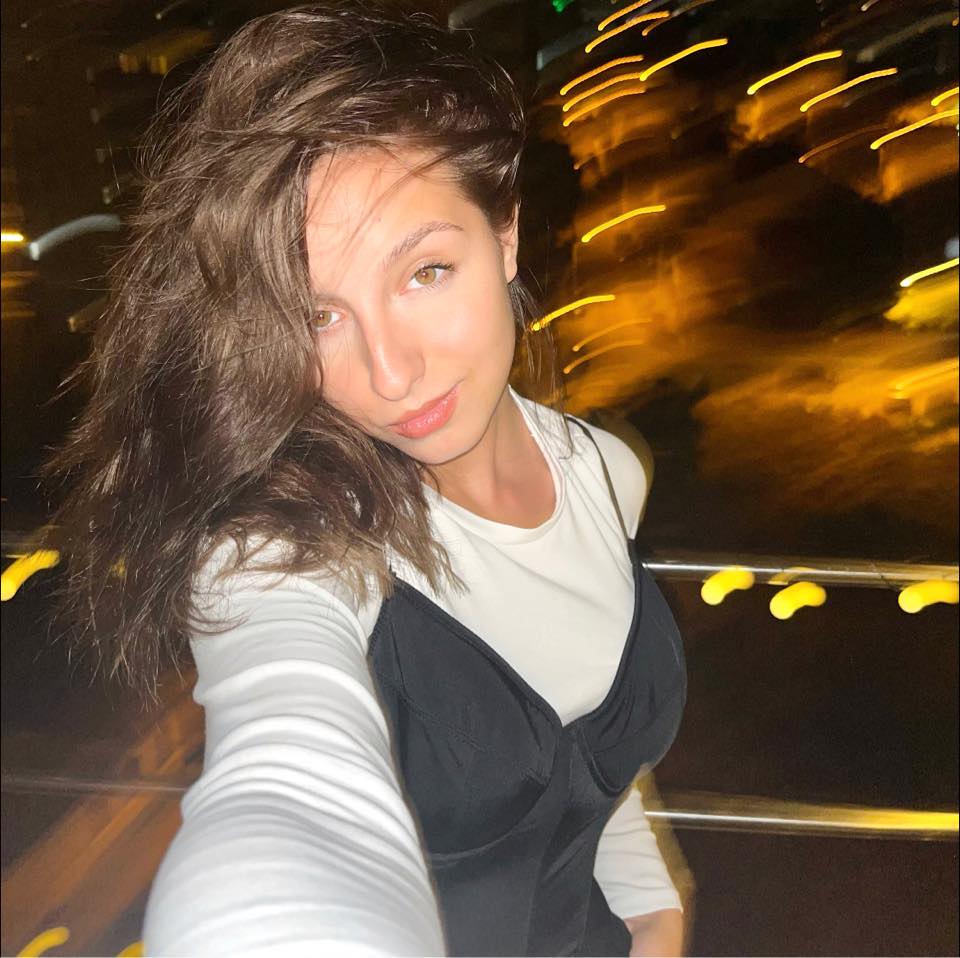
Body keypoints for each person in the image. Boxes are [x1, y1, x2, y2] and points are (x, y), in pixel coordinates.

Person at [44, 2, 688, 954]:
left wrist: (651, 915)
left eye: (425, 272)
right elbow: (284, 785)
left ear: (505, 234)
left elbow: (592, 759)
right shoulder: (287, 546)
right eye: (318, 316)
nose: (390, 375)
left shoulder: (605, 472)